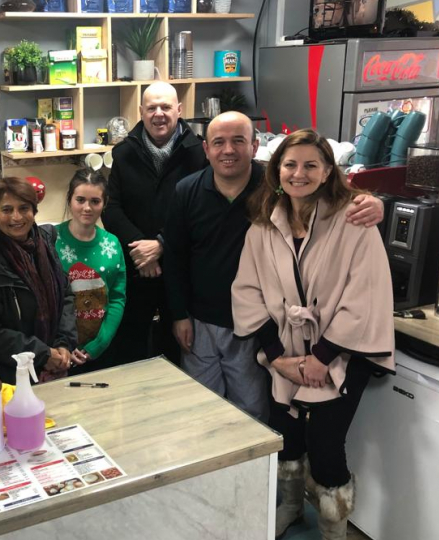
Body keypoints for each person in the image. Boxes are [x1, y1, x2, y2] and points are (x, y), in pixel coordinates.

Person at [164, 112, 384, 424]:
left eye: (238, 141)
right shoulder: (187, 191)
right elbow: (174, 256)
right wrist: (178, 315)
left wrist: (374, 202)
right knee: (200, 412)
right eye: (219, 142)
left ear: (254, 146)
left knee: (251, 414)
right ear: (206, 149)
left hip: (258, 327)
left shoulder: (273, 187)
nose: (228, 150)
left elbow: (328, 194)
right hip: (200, 323)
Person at [231, 129, 396, 539]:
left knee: (324, 446)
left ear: (327, 172)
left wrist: (321, 357)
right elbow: (248, 291)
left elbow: (364, 296)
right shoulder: (262, 228)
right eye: (290, 164)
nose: (298, 173)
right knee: (285, 437)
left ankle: (333, 528)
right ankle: (289, 507)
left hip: (340, 356)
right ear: (276, 171)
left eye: (310, 165)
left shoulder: (355, 221)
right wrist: (278, 356)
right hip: (285, 356)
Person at [101, 81, 206, 366]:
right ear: (141, 112)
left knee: (180, 350)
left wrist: (161, 245)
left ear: (179, 110)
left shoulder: (199, 154)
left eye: (166, 107)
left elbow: (202, 213)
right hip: (137, 269)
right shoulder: (123, 153)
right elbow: (112, 210)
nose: (159, 114)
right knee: (130, 351)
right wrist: (141, 249)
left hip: (183, 271)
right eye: (151, 108)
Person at [0, 177, 77, 384]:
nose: (16, 217)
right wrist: (41, 354)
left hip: (53, 364)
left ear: (34, 211)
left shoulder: (45, 243)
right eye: (6, 210)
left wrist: (63, 344)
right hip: (8, 376)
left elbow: (65, 293)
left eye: (24, 208)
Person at [54, 169, 126, 372]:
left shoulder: (112, 245)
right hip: (56, 352)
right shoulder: (50, 240)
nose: (87, 208)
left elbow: (117, 299)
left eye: (95, 201)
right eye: (80, 200)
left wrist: (98, 345)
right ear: (70, 200)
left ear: (104, 203)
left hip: (98, 351)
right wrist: (59, 346)